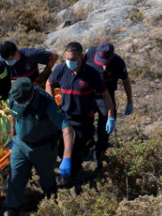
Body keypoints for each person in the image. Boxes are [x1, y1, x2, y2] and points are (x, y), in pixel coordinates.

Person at [3, 77, 74, 216]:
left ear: (31, 95)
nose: (18, 103)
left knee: (47, 180)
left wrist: (66, 158)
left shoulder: (47, 103)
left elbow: (68, 129)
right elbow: (13, 115)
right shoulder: (15, 95)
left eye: (22, 102)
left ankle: (51, 202)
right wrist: (12, 140)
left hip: (43, 149)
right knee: (14, 178)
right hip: (20, 144)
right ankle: (12, 208)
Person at [45, 42, 115, 179]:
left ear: (82, 57)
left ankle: (75, 175)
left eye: (73, 60)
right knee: (63, 150)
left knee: (78, 153)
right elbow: (49, 83)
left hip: (84, 119)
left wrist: (110, 116)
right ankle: (69, 171)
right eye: (67, 59)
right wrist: (51, 103)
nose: (69, 62)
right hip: (65, 116)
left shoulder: (92, 74)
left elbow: (105, 95)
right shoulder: (61, 69)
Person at [84, 42, 134, 168]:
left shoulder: (118, 62)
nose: (103, 65)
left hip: (107, 98)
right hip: (88, 95)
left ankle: (99, 153)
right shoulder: (90, 53)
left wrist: (130, 102)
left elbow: (126, 81)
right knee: (84, 125)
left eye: (105, 61)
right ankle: (84, 148)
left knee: (104, 130)